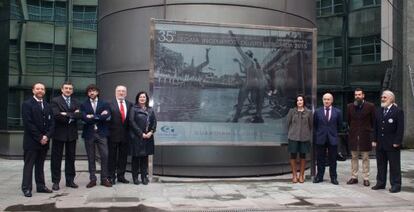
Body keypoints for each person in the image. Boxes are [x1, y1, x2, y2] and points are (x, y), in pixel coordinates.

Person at [21, 82, 54, 197]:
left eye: (42, 89)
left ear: (44, 91)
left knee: (40, 165)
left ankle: (40, 186)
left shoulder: (47, 105)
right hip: (32, 142)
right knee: (29, 166)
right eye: (38, 89)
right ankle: (26, 188)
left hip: (44, 142)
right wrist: (40, 137)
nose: (40, 91)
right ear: (33, 91)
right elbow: (28, 123)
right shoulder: (27, 104)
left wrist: (47, 136)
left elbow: (52, 123)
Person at [229, 30, 267, 123]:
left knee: (240, 100)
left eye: (245, 54)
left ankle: (235, 118)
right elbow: (244, 71)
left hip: (249, 83)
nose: (243, 56)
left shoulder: (246, 58)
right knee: (256, 101)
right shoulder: (252, 62)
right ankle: (258, 116)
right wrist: (238, 63)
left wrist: (232, 37)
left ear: (247, 54)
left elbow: (238, 48)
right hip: (257, 83)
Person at [50, 82, 81, 191]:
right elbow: (57, 115)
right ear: (62, 89)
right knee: (56, 159)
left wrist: (66, 114)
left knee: (71, 158)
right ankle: (55, 182)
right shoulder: (55, 100)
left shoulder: (76, 101)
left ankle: (70, 180)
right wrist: (72, 115)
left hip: (72, 134)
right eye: (66, 88)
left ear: (72, 91)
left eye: (70, 88)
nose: (68, 90)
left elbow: (79, 115)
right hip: (59, 134)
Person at [372, 90, 404, 193]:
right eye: (382, 97)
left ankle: (396, 184)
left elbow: (400, 128)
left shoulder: (397, 111)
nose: (382, 99)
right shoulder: (379, 111)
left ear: (391, 99)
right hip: (380, 143)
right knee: (381, 164)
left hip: (392, 144)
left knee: (394, 165)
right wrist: (374, 140)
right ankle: (381, 183)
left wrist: (397, 141)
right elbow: (375, 127)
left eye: (384, 97)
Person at [80, 84, 112, 188]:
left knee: (105, 156)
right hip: (89, 134)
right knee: (91, 157)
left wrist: (93, 116)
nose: (91, 93)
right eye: (89, 91)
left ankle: (104, 179)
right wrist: (99, 116)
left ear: (97, 92)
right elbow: (84, 118)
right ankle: (92, 179)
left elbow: (106, 116)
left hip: (102, 133)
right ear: (87, 93)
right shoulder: (83, 104)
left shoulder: (105, 103)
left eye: (93, 91)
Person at [346, 88, 376, 187]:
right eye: (356, 95)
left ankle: (366, 178)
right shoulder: (350, 106)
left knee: (365, 157)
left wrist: (372, 136)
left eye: (359, 95)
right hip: (354, 135)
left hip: (365, 135)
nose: (357, 96)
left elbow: (373, 122)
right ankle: (354, 177)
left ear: (363, 95)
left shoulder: (370, 106)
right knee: (354, 157)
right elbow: (349, 121)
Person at [313, 93, 342, 185]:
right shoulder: (317, 111)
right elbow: (315, 125)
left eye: (328, 99)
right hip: (321, 138)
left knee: (333, 159)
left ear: (332, 101)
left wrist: (334, 134)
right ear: (322, 100)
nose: (326, 101)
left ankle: (333, 177)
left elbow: (339, 126)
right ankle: (319, 176)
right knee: (320, 158)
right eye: (325, 99)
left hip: (332, 138)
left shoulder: (337, 112)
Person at [128, 91, 157, 185]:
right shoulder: (133, 108)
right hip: (136, 138)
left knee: (145, 159)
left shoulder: (150, 109)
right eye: (140, 97)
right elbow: (131, 122)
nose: (142, 98)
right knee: (136, 159)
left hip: (148, 138)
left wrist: (151, 132)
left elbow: (154, 122)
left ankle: (144, 177)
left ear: (146, 99)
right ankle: (135, 178)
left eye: (144, 97)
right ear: (137, 98)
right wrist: (141, 134)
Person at [108, 85, 133, 184]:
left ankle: (121, 176)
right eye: (119, 91)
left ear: (126, 93)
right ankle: (111, 176)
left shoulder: (130, 104)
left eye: (123, 91)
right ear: (115, 92)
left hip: (125, 136)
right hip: (112, 135)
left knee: (123, 157)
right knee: (112, 157)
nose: (121, 93)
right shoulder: (109, 104)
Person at [286, 94, 312, 183]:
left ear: (304, 101)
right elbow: (287, 123)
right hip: (293, 137)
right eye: (298, 100)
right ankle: (294, 175)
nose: (299, 102)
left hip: (304, 137)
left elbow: (311, 125)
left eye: (301, 100)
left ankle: (301, 175)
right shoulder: (291, 111)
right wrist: (291, 133)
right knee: (293, 155)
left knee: (302, 156)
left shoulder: (308, 112)